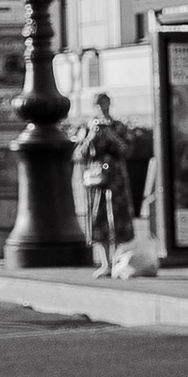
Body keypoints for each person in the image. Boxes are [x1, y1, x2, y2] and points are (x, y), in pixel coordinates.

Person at [78, 92, 135, 275]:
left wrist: (112, 136)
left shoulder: (118, 126)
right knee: (99, 217)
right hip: (97, 179)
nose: (102, 107)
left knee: (117, 217)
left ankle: (116, 259)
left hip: (116, 178)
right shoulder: (89, 126)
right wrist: (91, 137)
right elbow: (81, 153)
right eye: (98, 104)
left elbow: (127, 150)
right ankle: (105, 263)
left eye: (105, 103)